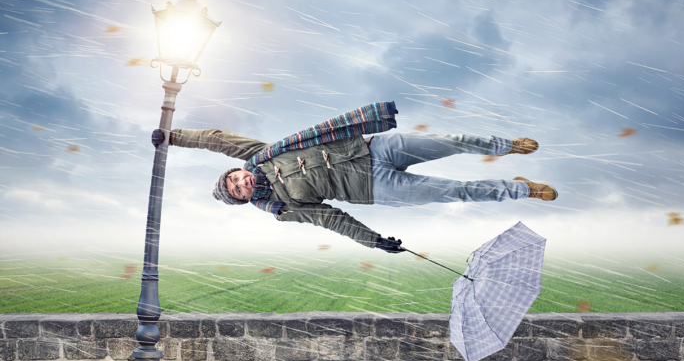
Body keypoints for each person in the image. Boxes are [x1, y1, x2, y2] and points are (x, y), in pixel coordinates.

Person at [151, 101, 557, 253]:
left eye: (235, 179)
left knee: (452, 141)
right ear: (243, 200)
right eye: (237, 192)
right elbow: (332, 219)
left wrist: (174, 137)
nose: (241, 184)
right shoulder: (282, 206)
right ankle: (522, 189)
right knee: (457, 192)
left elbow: (217, 139)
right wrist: (374, 241)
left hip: (373, 148)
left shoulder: (259, 154)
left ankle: (504, 146)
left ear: (239, 170)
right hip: (376, 188)